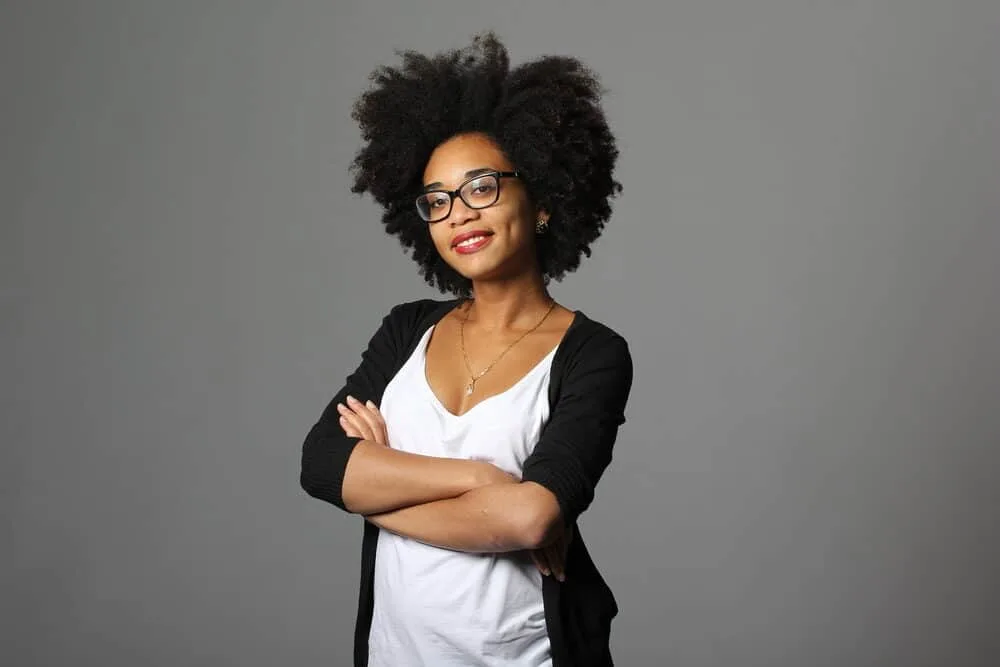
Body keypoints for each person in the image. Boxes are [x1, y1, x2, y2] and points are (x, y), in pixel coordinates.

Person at [300, 33, 633, 667]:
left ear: (539, 200)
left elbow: (532, 520)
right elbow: (322, 464)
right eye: (438, 201)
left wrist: (379, 491)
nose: (458, 214)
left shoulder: (593, 354)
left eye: (481, 187)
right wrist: (480, 482)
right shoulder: (406, 331)